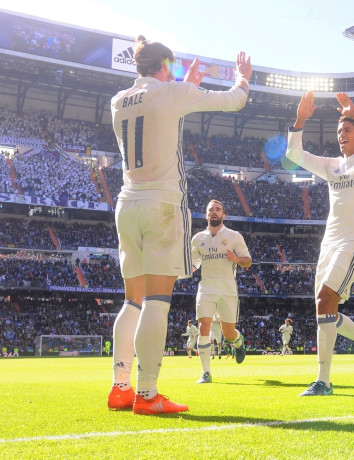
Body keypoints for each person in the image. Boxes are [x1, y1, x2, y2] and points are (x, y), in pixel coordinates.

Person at [107, 35, 252, 415]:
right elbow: (234, 100)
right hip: (162, 206)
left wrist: (185, 86)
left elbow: (160, 118)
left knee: (131, 300)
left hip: (127, 202)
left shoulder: (118, 100)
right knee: (157, 300)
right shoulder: (173, 92)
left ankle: (120, 387)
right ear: (166, 65)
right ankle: (148, 394)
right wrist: (243, 77)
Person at [285, 91, 354, 396]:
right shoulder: (331, 165)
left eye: (347, 130)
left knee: (326, 299)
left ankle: (324, 381)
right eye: (339, 131)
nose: (341, 135)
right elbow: (294, 156)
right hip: (328, 245)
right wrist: (300, 120)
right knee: (325, 308)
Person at [191, 199, 252, 384]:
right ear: (206, 214)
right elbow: (193, 264)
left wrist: (236, 258)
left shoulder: (234, 236)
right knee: (204, 326)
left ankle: (238, 340)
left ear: (223, 215)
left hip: (227, 288)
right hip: (206, 287)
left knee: (228, 333)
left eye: (218, 209)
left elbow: (248, 261)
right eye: (211, 210)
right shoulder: (197, 238)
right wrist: (180, 272)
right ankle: (206, 373)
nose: (214, 212)